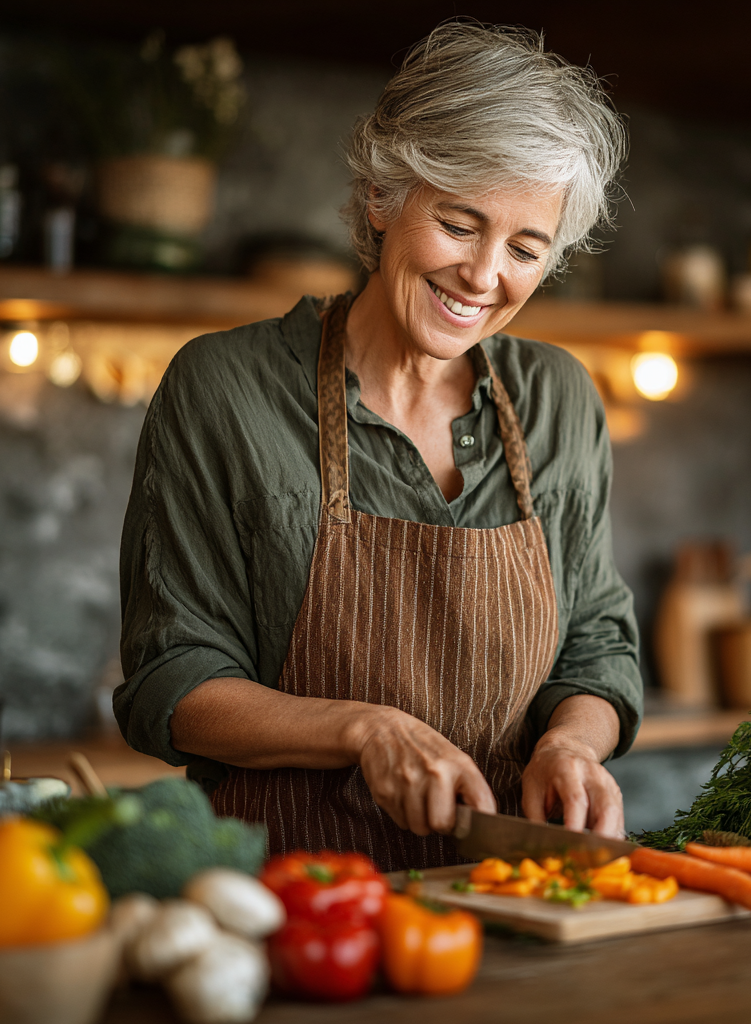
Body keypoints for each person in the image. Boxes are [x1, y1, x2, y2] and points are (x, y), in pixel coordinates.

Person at [117, 21, 641, 872]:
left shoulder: (559, 400)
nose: (483, 276)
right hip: (296, 901)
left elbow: (596, 646)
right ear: (381, 195)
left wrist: (572, 747)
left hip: (507, 891)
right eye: (459, 223)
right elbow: (171, 683)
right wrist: (366, 729)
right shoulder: (224, 389)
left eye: (524, 248)